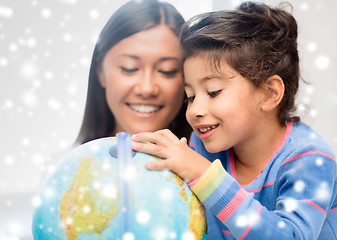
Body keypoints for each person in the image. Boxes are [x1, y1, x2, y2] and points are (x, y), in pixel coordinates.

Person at [131, 1, 337, 239]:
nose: (195, 109)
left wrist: (204, 175)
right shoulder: (204, 146)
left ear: (270, 93)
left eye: (213, 92)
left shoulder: (310, 160)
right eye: (190, 96)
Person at [75, 0, 191, 145]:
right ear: (100, 71)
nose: (147, 89)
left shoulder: (208, 165)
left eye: (167, 71)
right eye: (129, 68)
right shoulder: (69, 165)